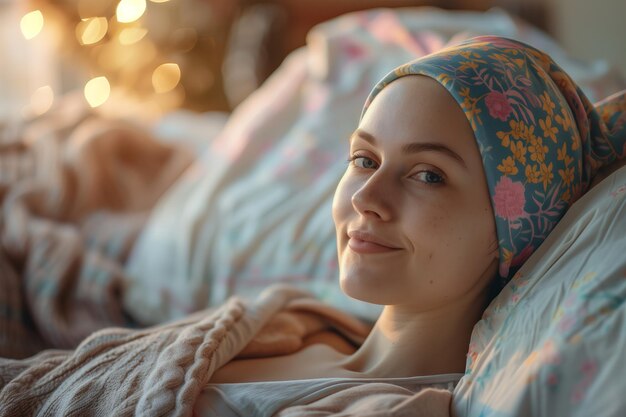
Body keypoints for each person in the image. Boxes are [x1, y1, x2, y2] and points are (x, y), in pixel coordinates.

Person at [209, 35, 626, 388]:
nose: (365, 198)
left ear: (513, 227)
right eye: (365, 160)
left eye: (428, 176)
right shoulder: (275, 325)